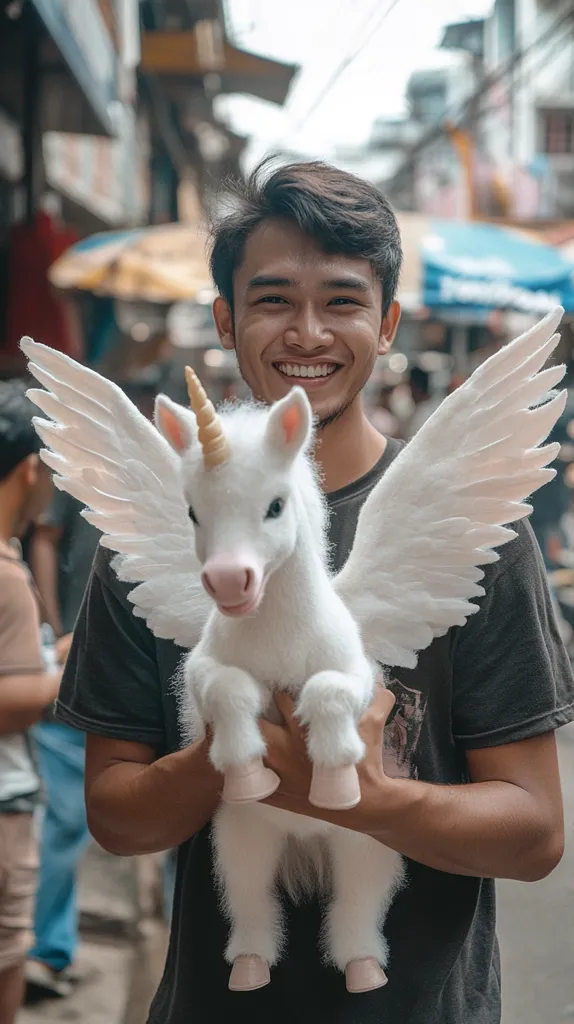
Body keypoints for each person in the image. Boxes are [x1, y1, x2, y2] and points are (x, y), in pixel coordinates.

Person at [55, 162, 574, 1024]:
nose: (307, 334)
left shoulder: (478, 526)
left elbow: (535, 833)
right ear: (224, 319)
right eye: (271, 300)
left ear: (387, 323)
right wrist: (229, 754)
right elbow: (117, 817)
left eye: (341, 301)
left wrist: (366, 794)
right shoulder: (172, 530)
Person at [0, 380, 65, 1024]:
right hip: (3, 805)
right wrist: (62, 681)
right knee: (5, 956)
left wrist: (55, 656)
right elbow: (16, 701)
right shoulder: (9, 579)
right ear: (27, 470)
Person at [24, 490, 100, 999]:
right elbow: (48, 538)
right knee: (65, 814)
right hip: (73, 654)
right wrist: (56, 633)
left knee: (67, 817)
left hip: (93, 655)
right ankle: (43, 948)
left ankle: (49, 945)